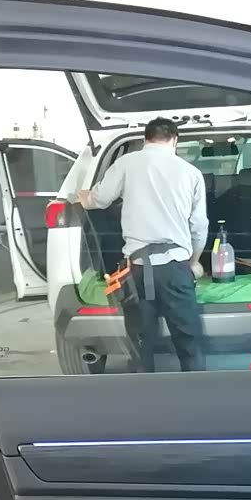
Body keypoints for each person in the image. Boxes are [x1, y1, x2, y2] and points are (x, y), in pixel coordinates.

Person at [79, 117, 208, 372]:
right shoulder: (191, 173)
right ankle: (196, 390)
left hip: (136, 268)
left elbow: (100, 200)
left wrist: (84, 197)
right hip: (175, 268)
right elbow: (198, 226)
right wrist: (194, 263)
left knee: (140, 344)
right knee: (188, 341)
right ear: (174, 140)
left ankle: (143, 391)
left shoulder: (126, 163)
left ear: (145, 139)